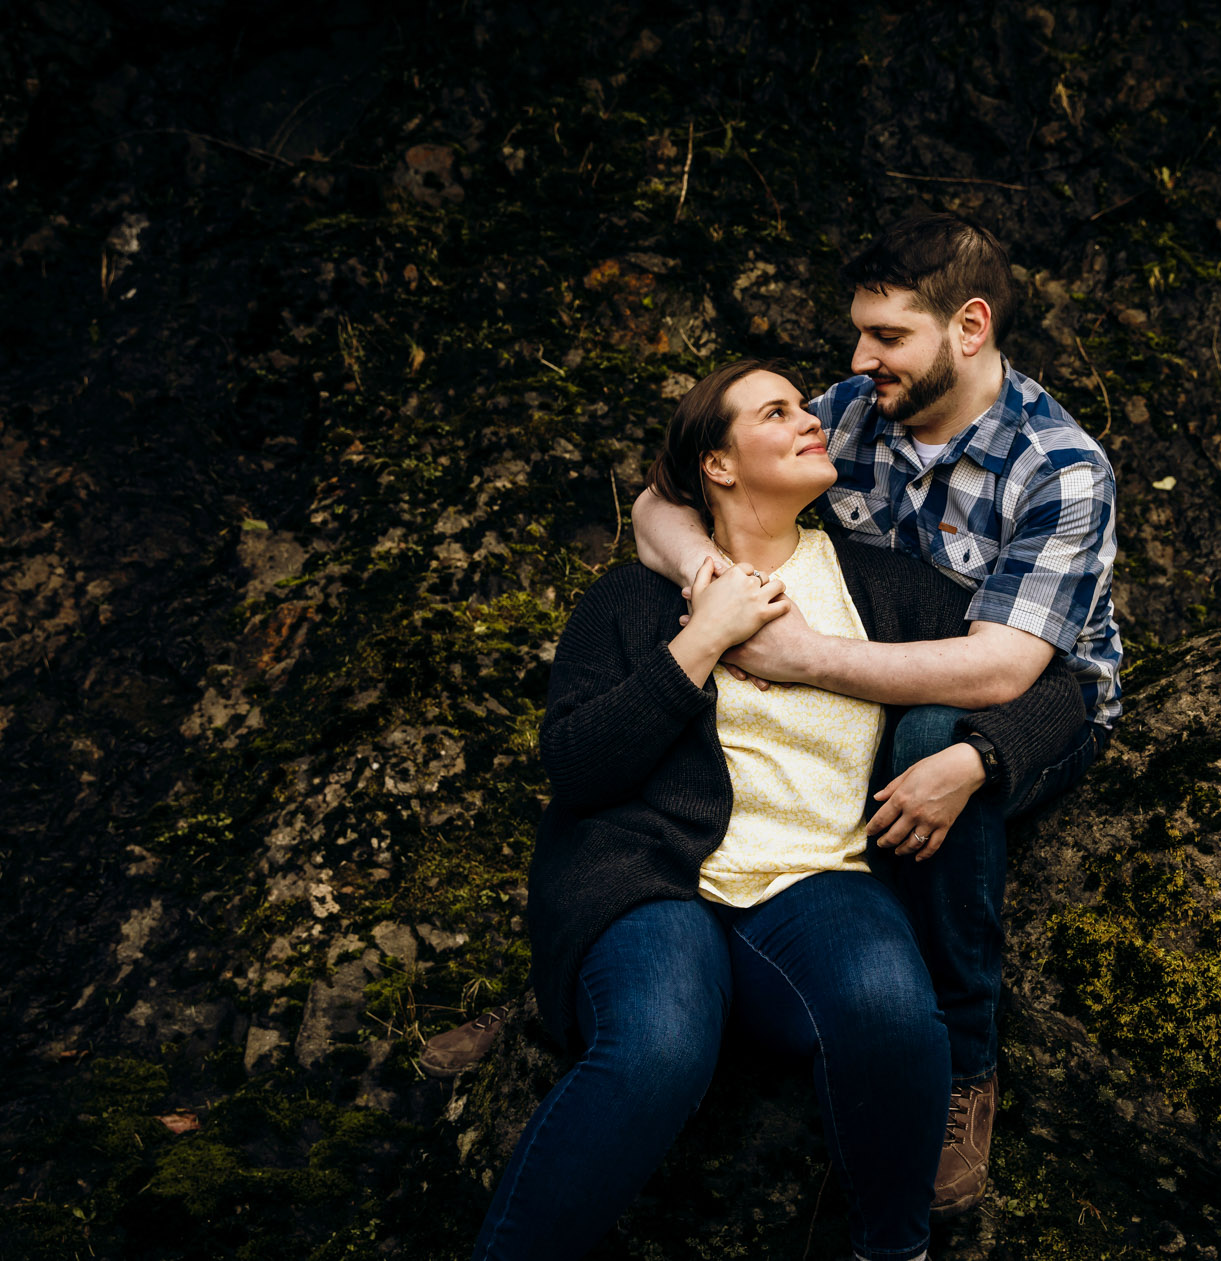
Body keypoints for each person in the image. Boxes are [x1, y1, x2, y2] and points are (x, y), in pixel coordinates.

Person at [468, 359, 1085, 1261]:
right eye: (777, 412)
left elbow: (1053, 687)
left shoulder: (881, 586)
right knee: (656, 1048)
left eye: (805, 406)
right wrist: (703, 637)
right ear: (718, 465)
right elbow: (575, 767)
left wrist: (977, 754)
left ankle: (893, 1250)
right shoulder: (632, 599)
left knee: (891, 1011)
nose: (812, 421)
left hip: (815, 878)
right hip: (653, 882)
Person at [631, 214, 1122, 1215]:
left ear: (969, 327)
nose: (858, 359)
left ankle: (965, 1061)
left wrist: (801, 655)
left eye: (885, 336)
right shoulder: (852, 414)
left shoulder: (1059, 467)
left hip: (1024, 710)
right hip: (859, 684)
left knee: (933, 740)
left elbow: (1003, 670)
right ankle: (587, 976)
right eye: (856, 333)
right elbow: (659, 502)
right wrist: (712, 577)